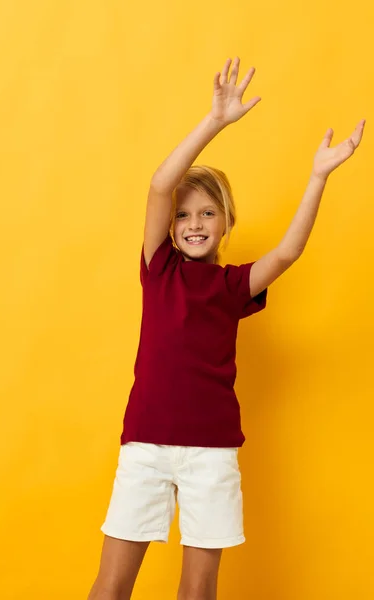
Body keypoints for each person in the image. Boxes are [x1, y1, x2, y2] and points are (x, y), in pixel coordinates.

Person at [87, 57, 365, 600]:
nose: (194, 224)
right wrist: (215, 122)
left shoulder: (235, 285)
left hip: (211, 453)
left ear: (226, 222)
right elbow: (160, 182)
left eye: (207, 214)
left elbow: (287, 251)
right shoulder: (158, 267)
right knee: (112, 583)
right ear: (171, 227)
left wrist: (317, 177)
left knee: (199, 587)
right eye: (185, 216)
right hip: (145, 444)